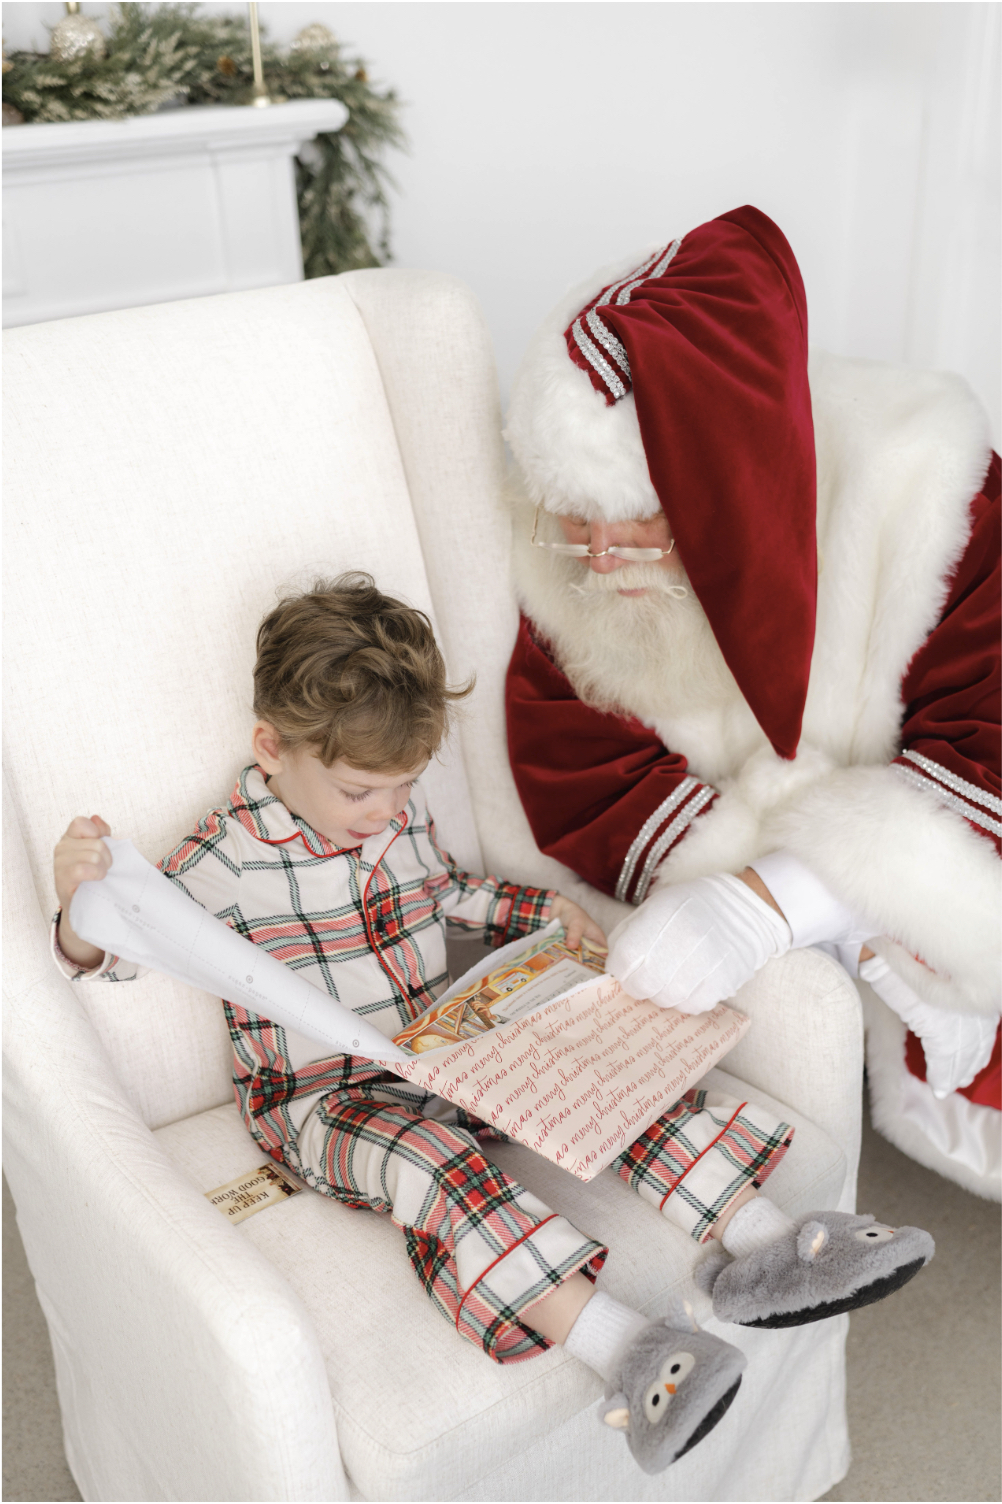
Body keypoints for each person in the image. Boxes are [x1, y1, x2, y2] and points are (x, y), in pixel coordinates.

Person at [51, 573, 931, 1471]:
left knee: (594, 1071)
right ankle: (629, 1355)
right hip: (326, 1101)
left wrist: (538, 912)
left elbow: (442, 892)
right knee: (438, 1168)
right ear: (273, 748)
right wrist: (77, 903)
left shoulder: (392, 817)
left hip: (441, 1049)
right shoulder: (218, 860)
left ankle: (771, 1250)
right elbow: (120, 949)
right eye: (362, 792)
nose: (387, 813)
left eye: (404, 788)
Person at [504, 205, 1000, 1200]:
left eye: (640, 519)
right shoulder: (571, 557)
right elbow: (580, 763)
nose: (599, 558)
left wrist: (781, 899)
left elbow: (988, 737)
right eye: (578, 516)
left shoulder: (933, 492)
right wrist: (810, 906)